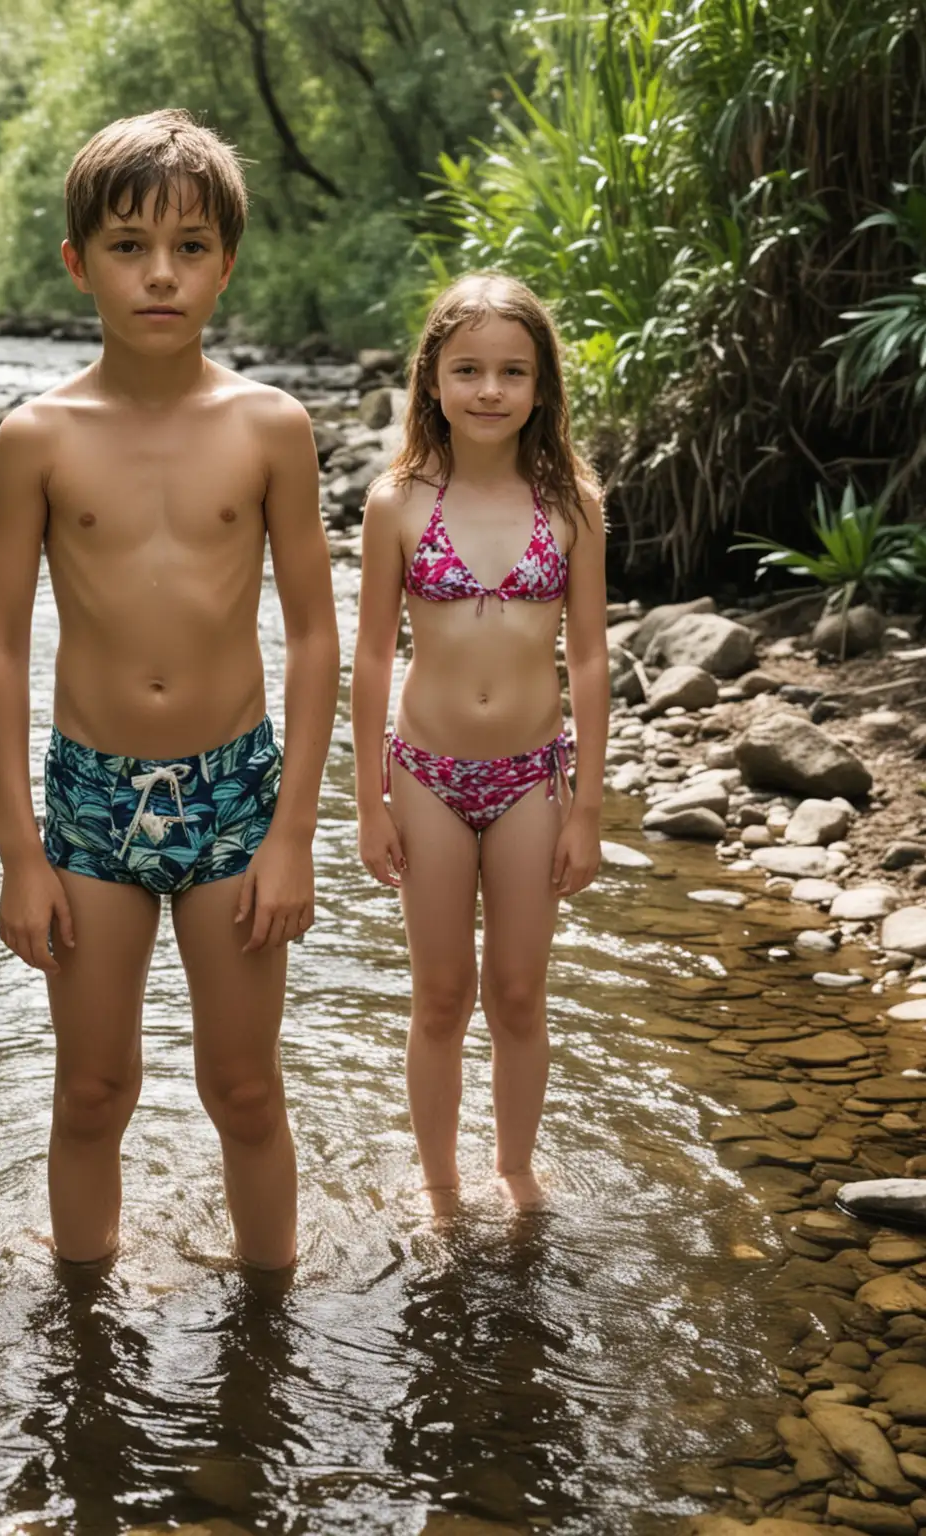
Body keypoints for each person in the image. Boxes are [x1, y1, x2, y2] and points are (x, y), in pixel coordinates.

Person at [0, 110, 339, 1270]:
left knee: (244, 1086)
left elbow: (318, 639)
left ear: (226, 265)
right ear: (80, 264)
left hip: (235, 787)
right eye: (130, 247)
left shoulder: (271, 428)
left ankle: (269, 1314)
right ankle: (82, 1324)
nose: (161, 273)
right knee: (91, 1090)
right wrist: (20, 854)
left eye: (189, 247)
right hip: (90, 797)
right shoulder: (38, 437)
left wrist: (294, 835)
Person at [350, 272, 608, 1214]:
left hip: (534, 777)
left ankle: (515, 1169)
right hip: (424, 774)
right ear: (432, 380)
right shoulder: (399, 502)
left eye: (512, 371)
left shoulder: (571, 502)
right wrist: (367, 799)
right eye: (468, 370)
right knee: (441, 996)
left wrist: (588, 806)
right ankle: (441, 1184)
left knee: (519, 993)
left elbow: (588, 660)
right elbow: (372, 656)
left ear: (541, 388)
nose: (490, 390)